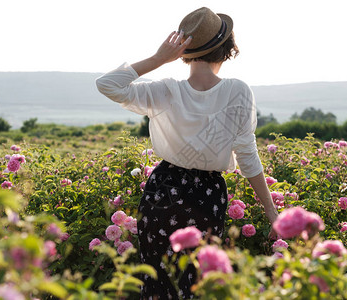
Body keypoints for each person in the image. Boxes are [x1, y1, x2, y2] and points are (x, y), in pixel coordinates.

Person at [96, 7, 278, 299]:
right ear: (227, 49)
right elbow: (248, 157)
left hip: (162, 189)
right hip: (207, 195)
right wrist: (272, 213)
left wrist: (158, 59)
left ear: (184, 52)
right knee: (197, 284)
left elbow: (107, 84)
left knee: (157, 282)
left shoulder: (166, 90)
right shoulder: (238, 92)